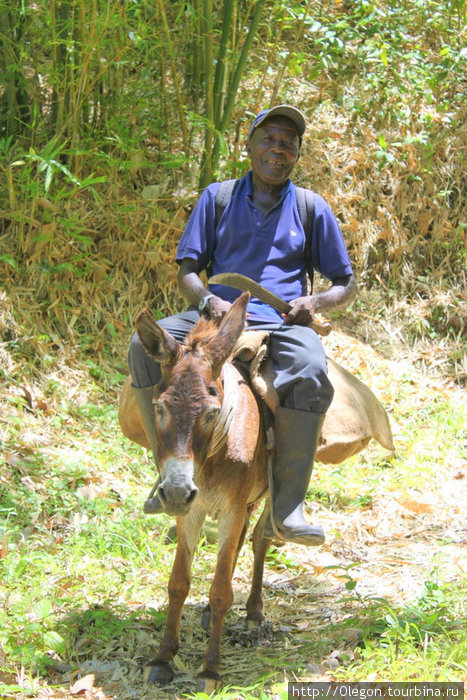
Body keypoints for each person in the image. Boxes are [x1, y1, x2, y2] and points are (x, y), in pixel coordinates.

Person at [128, 104, 356, 546]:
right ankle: (162, 475)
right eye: (269, 138)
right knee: (141, 349)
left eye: (288, 142)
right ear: (248, 146)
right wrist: (206, 298)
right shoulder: (217, 197)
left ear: (296, 154)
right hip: (213, 316)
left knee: (310, 371)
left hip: (280, 323)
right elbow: (188, 271)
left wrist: (315, 301)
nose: (278, 148)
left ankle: (287, 507)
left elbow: (346, 282)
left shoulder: (311, 208)